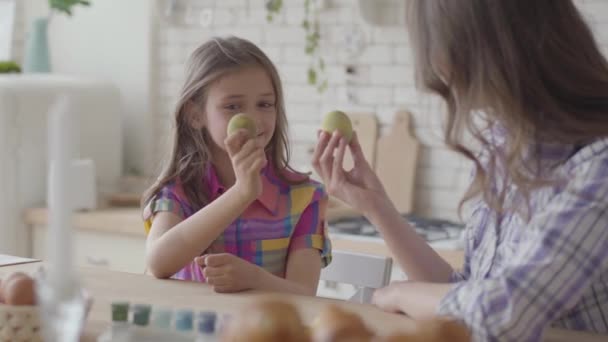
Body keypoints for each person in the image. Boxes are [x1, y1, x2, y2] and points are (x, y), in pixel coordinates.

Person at [312, 0, 608, 340]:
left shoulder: (598, 163)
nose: (439, 71)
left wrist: (400, 294)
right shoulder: (503, 145)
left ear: (488, 48)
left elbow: (503, 313)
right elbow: (463, 294)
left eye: (440, 49)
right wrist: (376, 207)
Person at [142, 36, 331, 295]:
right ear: (196, 115)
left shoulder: (306, 197)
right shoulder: (178, 192)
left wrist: (256, 280)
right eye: (233, 106)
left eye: (264, 104)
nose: (252, 119)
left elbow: (305, 294)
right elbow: (158, 264)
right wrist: (242, 193)